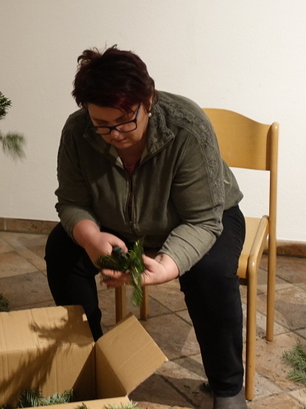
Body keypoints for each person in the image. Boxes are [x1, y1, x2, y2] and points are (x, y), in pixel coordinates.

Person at [46, 46, 248, 409]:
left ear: (148, 100)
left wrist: (168, 266)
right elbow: (72, 202)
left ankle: (227, 387)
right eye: (102, 124)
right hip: (116, 224)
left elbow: (203, 219)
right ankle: (89, 363)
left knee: (212, 272)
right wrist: (91, 237)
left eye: (125, 121)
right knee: (61, 250)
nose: (114, 134)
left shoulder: (186, 127)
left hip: (204, 219)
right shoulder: (77, 131)